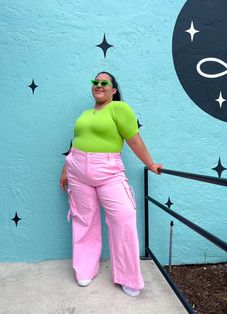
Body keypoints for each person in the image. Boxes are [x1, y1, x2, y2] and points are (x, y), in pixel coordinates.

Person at [60, 71, 162, 297]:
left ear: (113, 89)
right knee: (84, 220)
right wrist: (66, 168)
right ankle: (85, 269)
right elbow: (76, 142)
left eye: (104, 82)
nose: (99, 85)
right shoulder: (85, 114)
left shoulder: (119, 109)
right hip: (77, 170)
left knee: (124, 218)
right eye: (95, 82)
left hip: (108, 170)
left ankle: (128, 277)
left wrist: (151, 163)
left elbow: (134, 139)